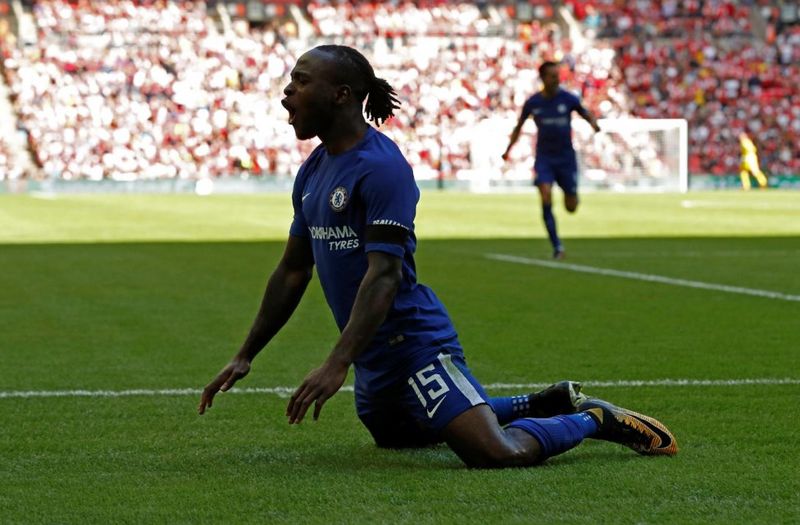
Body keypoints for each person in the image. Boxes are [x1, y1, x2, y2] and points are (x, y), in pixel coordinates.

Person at [198, 45, 677, 468]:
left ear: (342, 94)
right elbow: (293, 269)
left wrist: (336, 361)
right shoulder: (314, 171)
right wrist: (245, 355)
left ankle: (591, 418)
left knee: (494, 452)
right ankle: (543, 401)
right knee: (400, 438)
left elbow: (383, 277)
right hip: (373, 357)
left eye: (300, 81)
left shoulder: (382, 167)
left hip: (413, 343)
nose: (287, 92)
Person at [502, 61, 601, 259]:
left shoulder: (568, 98)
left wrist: (594, 124)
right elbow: (519, 127)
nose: (557, 79)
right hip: (545, 158)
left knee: (571, 207)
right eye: (553, 76)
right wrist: (508, 150)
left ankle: (572, 192)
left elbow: (584, 112)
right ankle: (557, 246)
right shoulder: (534, 103)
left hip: (566, 158)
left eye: (558, 75)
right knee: (545, 195)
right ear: (543, 78)